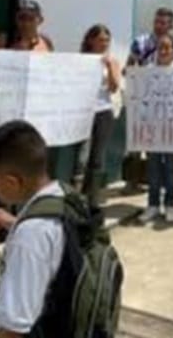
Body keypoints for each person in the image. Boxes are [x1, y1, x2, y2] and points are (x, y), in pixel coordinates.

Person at [0, 121, 72, 338]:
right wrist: (13, 222)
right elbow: (54, 242)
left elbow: (14, 328)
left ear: (12, 182)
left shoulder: (28, 238)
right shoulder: (63, 196)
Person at [124, 7, 173, 196]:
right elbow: (130, 65)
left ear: (171, 25)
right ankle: (133, 181)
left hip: (169, 107)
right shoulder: (140, 42)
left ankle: (166, 191)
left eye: (163, 22)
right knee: (137, 143)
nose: (159, 26)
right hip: (145, 103)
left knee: (167, 152)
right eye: (156, 21)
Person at [138, 34, 173, 224]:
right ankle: (153, 205)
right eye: (161, 47)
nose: (164, 51)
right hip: (153, 127)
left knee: (171, 168)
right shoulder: (148, 70)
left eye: (167, 47)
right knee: (153, 167)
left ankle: (170, 205)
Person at [77, 24, 122, 209]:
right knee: (81, 155)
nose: (104, 44)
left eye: (107, 40)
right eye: (101, 40)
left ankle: (92, 198)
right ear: (90, 41)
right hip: (83, 111)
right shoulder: (81, 60)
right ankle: (78, 194)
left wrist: (110, 66)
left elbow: (113, 87)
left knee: (97, 156)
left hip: (103, 110)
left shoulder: (112, 61)